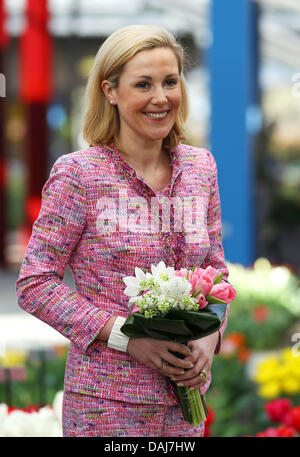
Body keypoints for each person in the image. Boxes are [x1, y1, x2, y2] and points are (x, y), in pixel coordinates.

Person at [16, 24, 230, 437]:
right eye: (143, 84)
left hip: (185, 402)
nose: (160, 98)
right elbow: (35, 283)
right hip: (107, 407)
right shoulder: (80, 175)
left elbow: (216, 275)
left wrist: (211, 338)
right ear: (110, 91)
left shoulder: (201, 168)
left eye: (170, 82)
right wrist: (127, 338)